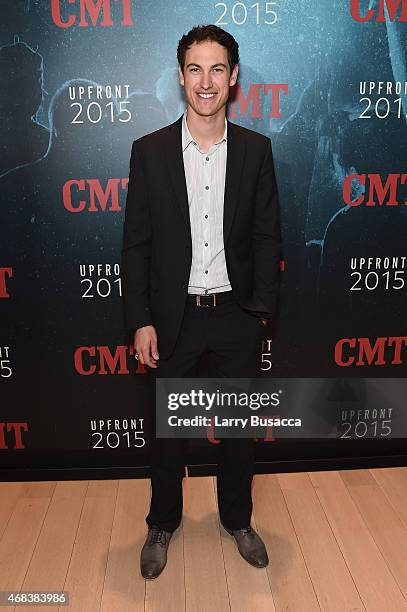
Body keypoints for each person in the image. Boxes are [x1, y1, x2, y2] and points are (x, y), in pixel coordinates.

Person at [121, 24, 281, 580]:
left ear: (233, 78)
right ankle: (162, 522)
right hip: (174, 319)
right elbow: (135, 245)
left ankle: (237, 518)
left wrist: (259, 311)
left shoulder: (257, 151)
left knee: (238, 435)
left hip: (235, 317)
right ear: (181, 76)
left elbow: (267, 236)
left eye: (217, 69)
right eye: (195, 69)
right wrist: (140, 319)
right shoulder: (150, 151)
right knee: (167, 437)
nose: (205, 81)